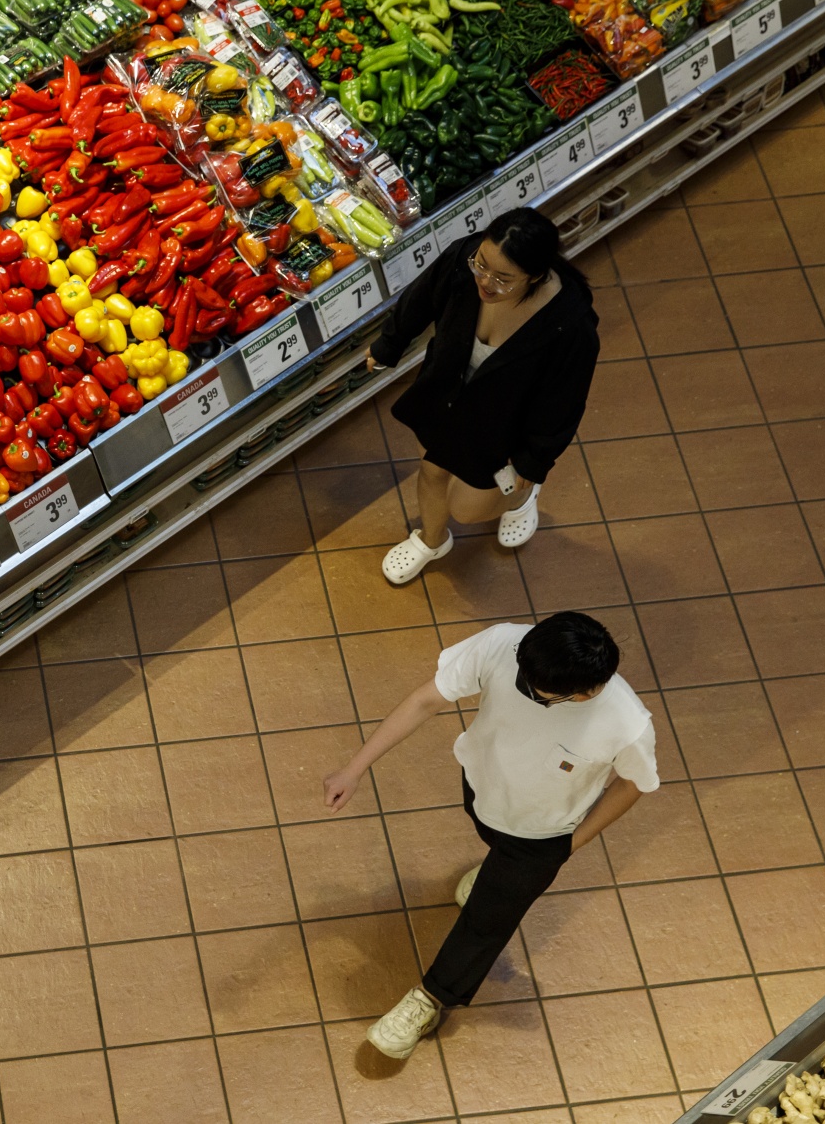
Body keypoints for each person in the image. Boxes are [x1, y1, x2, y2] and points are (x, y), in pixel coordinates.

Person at [321, 613, 657, 1059]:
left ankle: (431, 998)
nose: (526, 691)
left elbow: (633, 785)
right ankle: (493, 868)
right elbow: (426, 700)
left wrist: (565, 848)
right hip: (482, 790)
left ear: (586, 692)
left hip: (542, 835)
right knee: (491, 850)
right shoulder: (504, 643)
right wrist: (355, 767)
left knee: (484, 923)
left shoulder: (626, 723)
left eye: (540, 696)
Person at [364, 209, 600, 584]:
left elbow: (564, 400)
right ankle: (431, 540)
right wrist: (389, 344)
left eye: (503, 279)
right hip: (450, 395)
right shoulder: (465, 259)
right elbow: (423, 296)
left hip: (507, 422)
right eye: (482, 266)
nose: (486, 282)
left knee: (468, 508)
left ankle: (523, 498)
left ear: (535, 276)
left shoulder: (569, 327)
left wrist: (532, 460)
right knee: (432, 469)